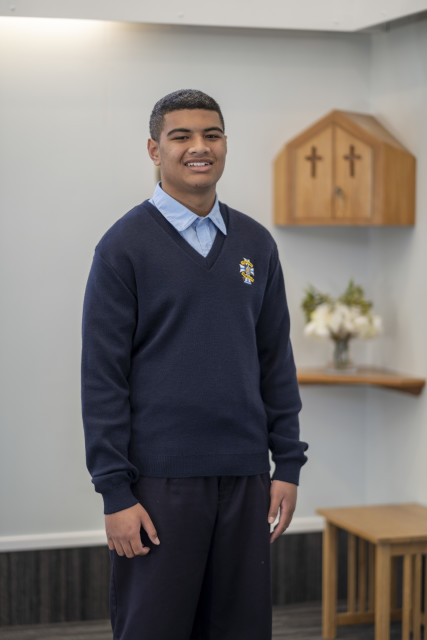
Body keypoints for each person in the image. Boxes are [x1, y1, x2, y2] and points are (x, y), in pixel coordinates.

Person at [81, 89, 308, 640]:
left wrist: (287, 465)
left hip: (247, 478)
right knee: (153, 628)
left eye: (212, 135)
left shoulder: (256, 244)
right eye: (181, 136)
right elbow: (103, 379)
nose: (199, 147)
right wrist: (115, 493)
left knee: (240, 628)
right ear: (155, 150)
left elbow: (275, 360)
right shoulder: (123, 246)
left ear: (225, 144)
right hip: (159, 484)